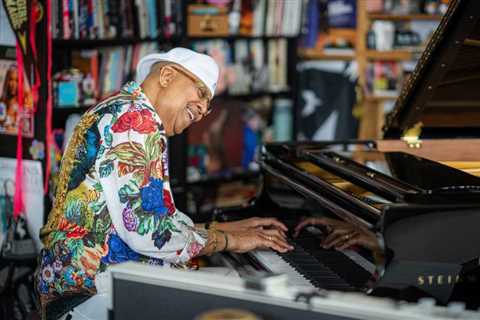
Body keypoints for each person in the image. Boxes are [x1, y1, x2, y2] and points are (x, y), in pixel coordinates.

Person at [35, 48, 293, 320]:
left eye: (209, 103)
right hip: (87, 294)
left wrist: (219, 227)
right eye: (201, 92)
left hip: (73, 284)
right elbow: (148, 235)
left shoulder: (121, 108)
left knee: (232, 285)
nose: (205, 109)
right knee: (248, 297)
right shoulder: (135, 122)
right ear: (167, 75)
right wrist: (228, 240)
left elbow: (142, 220)